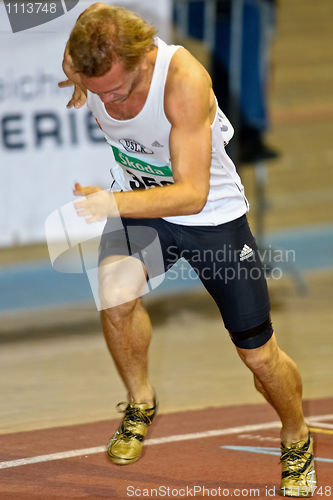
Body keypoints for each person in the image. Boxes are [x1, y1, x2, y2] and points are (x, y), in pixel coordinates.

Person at [59, 3, 316, 496]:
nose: (108, 101)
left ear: (140, 59)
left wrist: (112, 202)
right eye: (97, 91)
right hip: (142, 206)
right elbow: (90, 23)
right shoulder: (84, 54)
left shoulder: (183, 81)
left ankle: (296, 434)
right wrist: (75, 79)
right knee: (114, 296)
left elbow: (190, 193)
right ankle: (140, 402)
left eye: (117, 88)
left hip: (208, 217)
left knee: (259, 357)